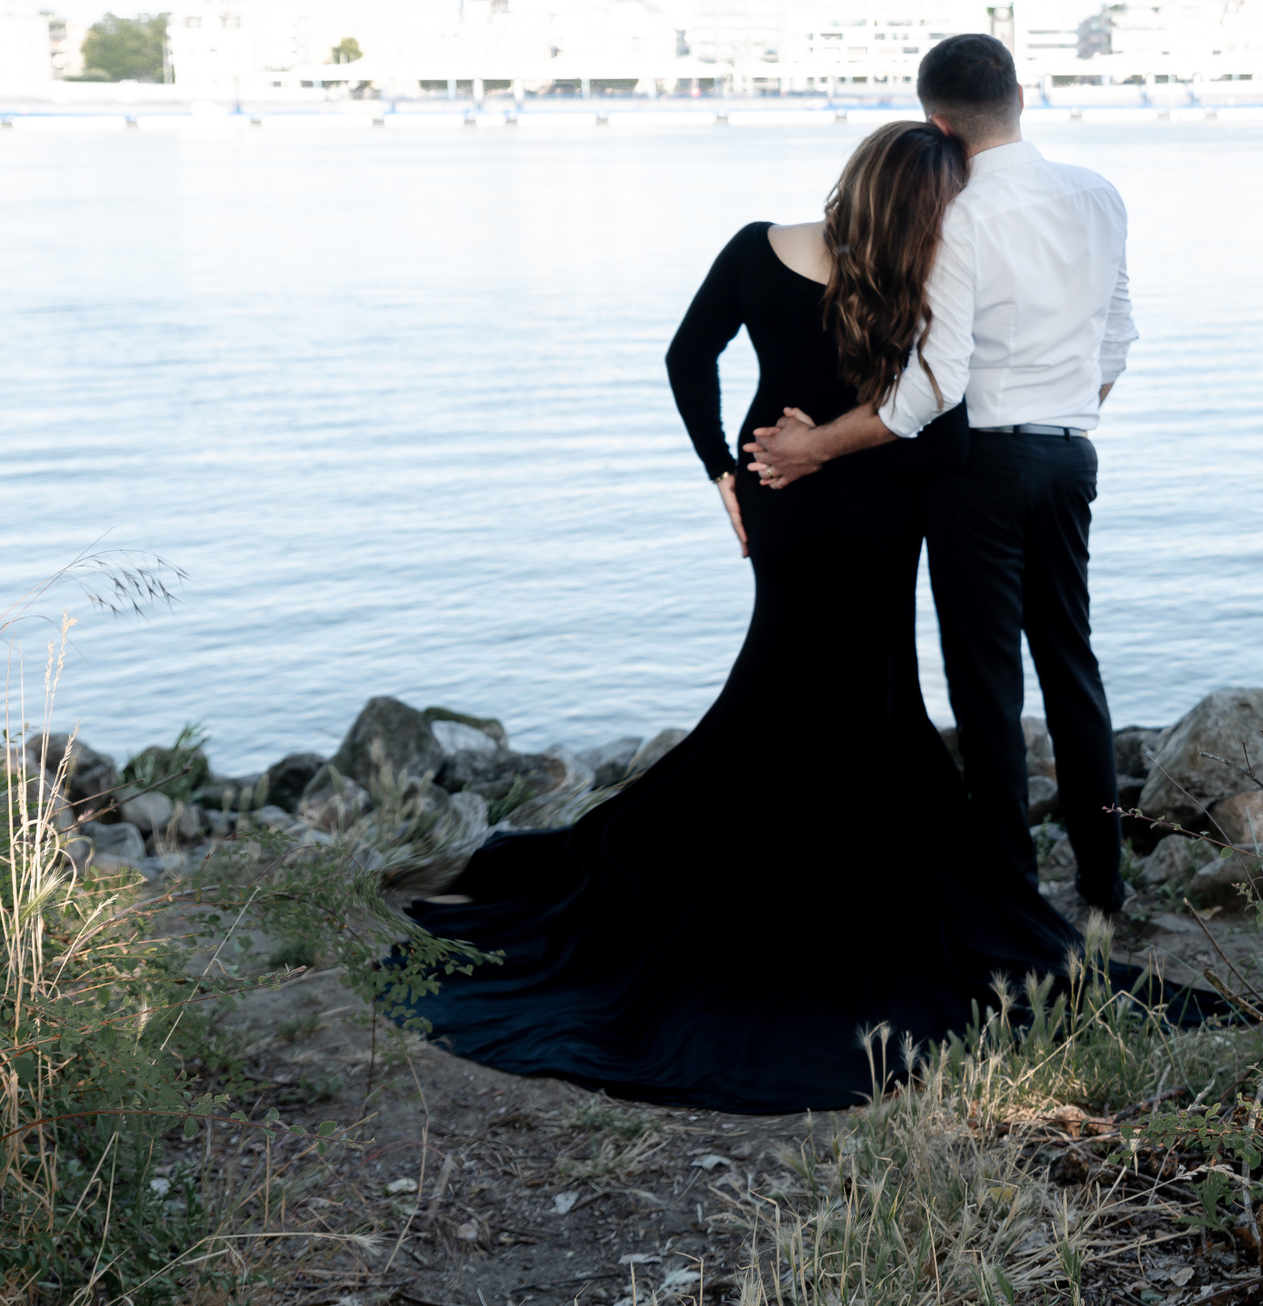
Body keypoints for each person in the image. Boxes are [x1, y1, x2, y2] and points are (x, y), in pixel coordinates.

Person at [401, 121, 1094, 1114]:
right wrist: (833, 452)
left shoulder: (755, 243)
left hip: (780, 494)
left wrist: (724, 470)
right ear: (923, 207)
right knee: (865, 685)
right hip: (871, 501)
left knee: (784, 677)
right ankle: (828, 875)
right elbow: (936, 442)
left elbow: (688, 357)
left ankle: (754, 854)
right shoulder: (920, 276)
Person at [750, 34, 1133, 921]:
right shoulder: (1100, 196)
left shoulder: (956, 216)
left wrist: (814, 448)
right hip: (1072, 453)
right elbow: (1117, 341)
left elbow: (931, 386)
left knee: (986, 682)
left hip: (981, 470)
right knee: (1073, 670)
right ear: (1022, 94)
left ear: (938, 122)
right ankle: (1105, 890)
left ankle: (1011, 893)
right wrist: (1066, 414)